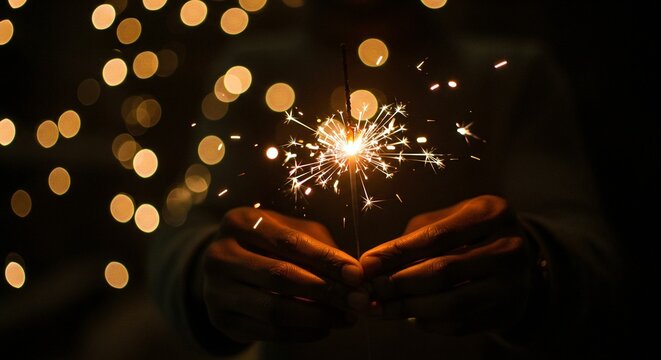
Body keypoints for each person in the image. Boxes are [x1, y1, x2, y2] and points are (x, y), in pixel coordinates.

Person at [149, 1, 618, 358]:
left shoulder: (516, 73)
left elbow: (590, 253)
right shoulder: (249, 69)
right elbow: (185, 228)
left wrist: (533, 262)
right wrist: (202, 269)